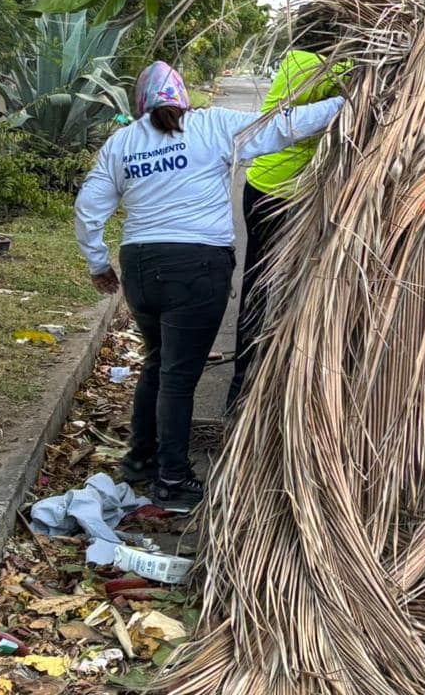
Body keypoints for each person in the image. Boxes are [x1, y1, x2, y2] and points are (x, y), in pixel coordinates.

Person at [74, 61, 345, 512]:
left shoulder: (120, 143)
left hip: (140, 263)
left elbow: (88, 209)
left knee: (158, 363)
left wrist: (98, 264)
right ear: (184, 96)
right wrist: (344, 103)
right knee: (179, 376)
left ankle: (141, 458)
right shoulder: (213, 124)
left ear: (139, 103)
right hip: (196, 266)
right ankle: (173, 479)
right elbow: (285, 126)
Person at [228, 50, 351, 413]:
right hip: (290, 196)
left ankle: (241, 385)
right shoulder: (323, 68)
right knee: (302, 285)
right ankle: (281, 383)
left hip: (261, 184)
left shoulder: (292, 59)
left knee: (257, 283)